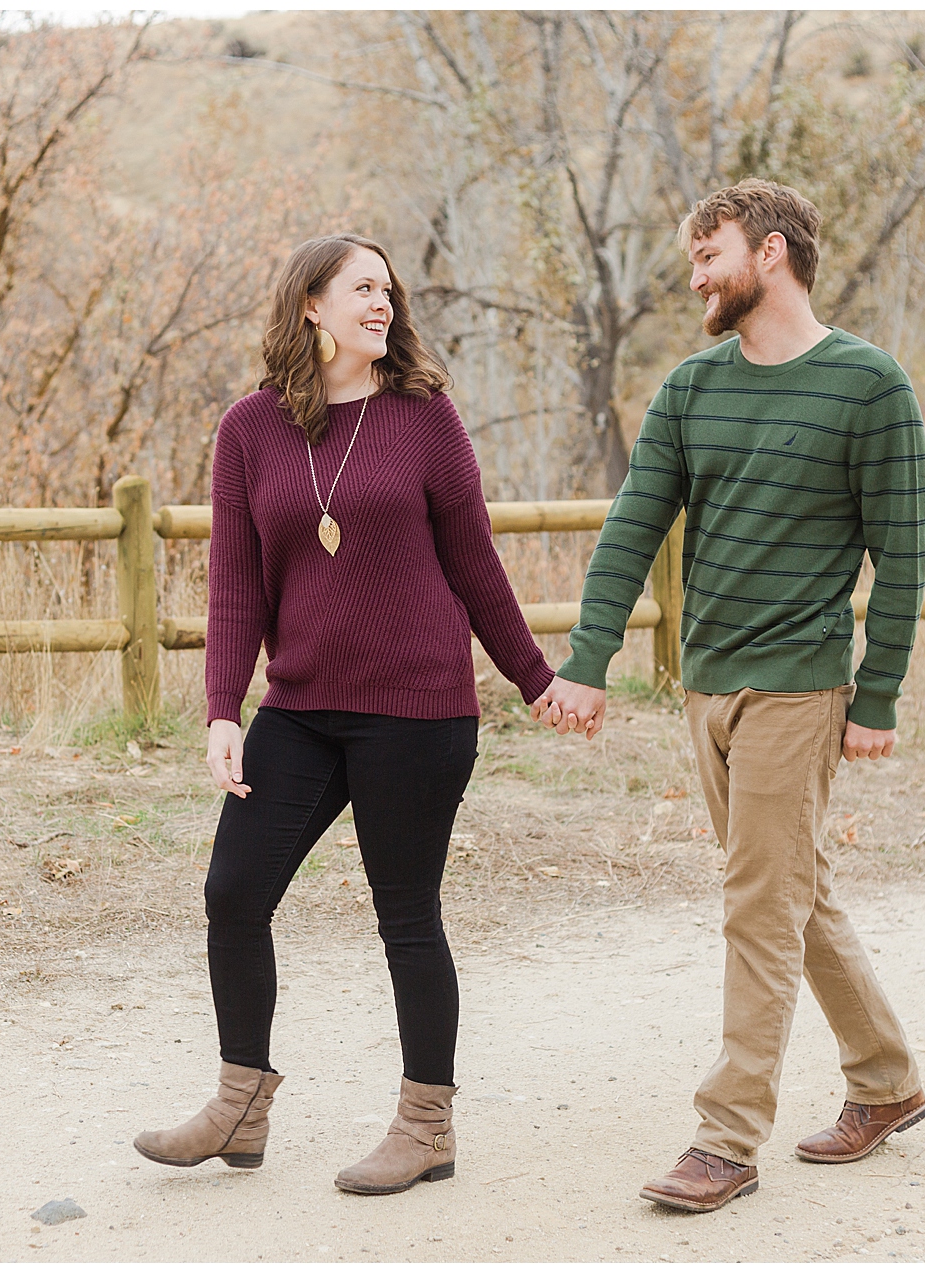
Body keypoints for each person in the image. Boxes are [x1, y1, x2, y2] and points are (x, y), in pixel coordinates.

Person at [133, 234, 564, 1195]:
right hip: (300, 708)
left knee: (407, 916)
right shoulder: (248, 429)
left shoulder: (424, 418)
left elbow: (475, 562)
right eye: (362, 287)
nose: (383, 302)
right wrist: (220, 707)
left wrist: (534, 678)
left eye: (388, 289)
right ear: (312, 308)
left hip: (417, 711)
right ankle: (240, 1102)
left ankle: (425, 1125)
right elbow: (235, 582)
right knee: (234, 890)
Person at [533, 178, 925, 1212]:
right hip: (705, 686)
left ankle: (725, 1137)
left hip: (800, 685)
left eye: (708, 254)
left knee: (757, 905)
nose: (695, 275)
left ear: (770, 252)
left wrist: (875, 693)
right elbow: (632, 527)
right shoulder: (690, 388)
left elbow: (904, 554)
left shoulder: (869, 385)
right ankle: (886, 1083)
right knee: (791, 892)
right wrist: (587, 658)